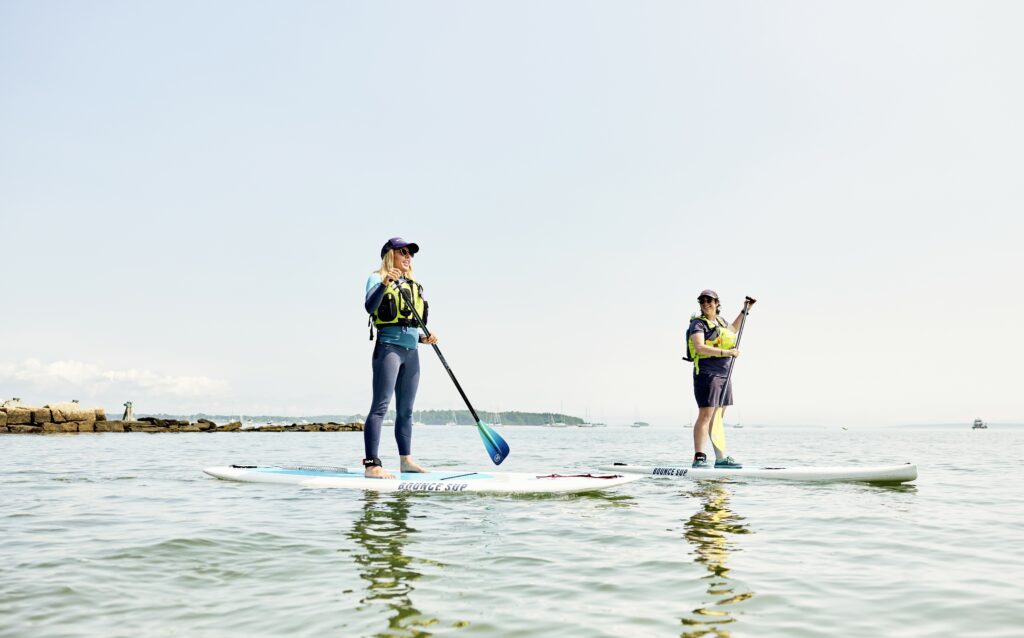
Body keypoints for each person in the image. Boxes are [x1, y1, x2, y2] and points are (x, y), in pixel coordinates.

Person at [362, 237, 438, 478]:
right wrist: (385, 283)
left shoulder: (413, 284)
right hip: (389, 349)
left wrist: (423, 338)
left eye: (410, 254)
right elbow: (370, 307)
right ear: (390, 255)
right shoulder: (377, 278)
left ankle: (406, 460)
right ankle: (372, 465)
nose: (408, 257)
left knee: (406, 410)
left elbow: (409, 323)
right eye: (403, 252)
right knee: (380, 407)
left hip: (411, 352)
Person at [686, 289, 755, 469]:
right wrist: (727, 352)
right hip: (707, 374)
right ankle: (699, 457)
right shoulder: (698, 325)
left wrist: (745, 310)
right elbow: (700, 348)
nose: (705, 303)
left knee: (718, 418)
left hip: (725, 375)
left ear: (717, 303)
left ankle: (720, 458)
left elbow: (732, 330)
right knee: (706, 415)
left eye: (709, 300)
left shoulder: (721, 322)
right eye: (702, 301)